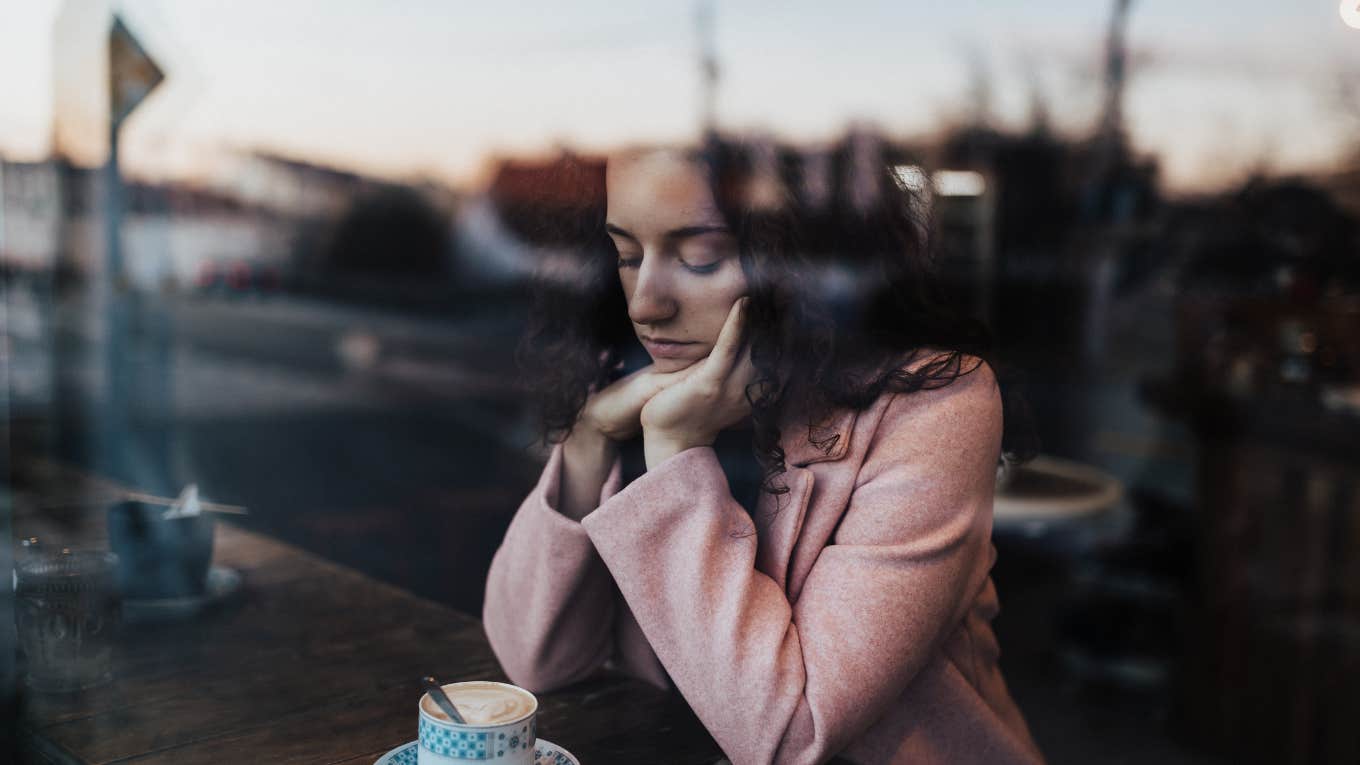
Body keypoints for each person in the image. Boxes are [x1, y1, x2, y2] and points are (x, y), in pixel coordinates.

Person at [483, 138, 1044, 765]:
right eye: (627, 255)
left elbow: (792, 737)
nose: (646, 304)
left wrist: (674, 452)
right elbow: (535, 660)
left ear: (806, 260)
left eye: (700, 258)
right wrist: (587, 439)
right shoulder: (633, 377)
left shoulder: (936, 404)